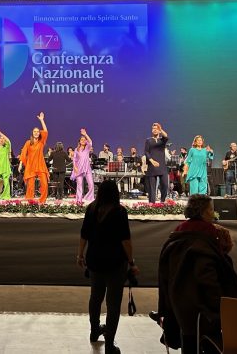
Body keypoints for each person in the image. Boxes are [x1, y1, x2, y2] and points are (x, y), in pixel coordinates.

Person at [157, 195, 237, 353]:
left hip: (177, 297)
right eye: (210, 209)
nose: (213, 213)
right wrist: (217, 301)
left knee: (188, 340)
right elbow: (206, 275)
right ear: (202, 212)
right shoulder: (207, 235)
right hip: (201, 303)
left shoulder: (179, 231)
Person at [77, 180, 139, 354]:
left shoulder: (91, 209)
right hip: (115, 263)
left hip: (94, 260)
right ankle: (110, 343)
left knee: (95, 298)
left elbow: (84, 234)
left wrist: (80, 255)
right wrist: (132, 262)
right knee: (113, 304)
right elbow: (125, 240)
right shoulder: (119, 212)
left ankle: (94, 330)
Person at [18, 112, 49, 203]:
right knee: (30, 186)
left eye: (37, 131)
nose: (36, 133)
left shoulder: (41, 142)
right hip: (31, 166)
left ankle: (42, 201)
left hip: (40, 165)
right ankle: (30, 201)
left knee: (44, 183)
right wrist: (20, 164)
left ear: (39, 133)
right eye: (34, 131)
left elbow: (45, 131)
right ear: (32, 133)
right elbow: (23, 153)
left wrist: (42, 120)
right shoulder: (28, 142)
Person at [144, 122, 169, 202]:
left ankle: (162, 201)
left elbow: (166, 136)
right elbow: (146, 152)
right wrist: (151, 161)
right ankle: (152, 203)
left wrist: (160, 129)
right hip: (152, 166)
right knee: (152, 187)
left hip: (162, 166)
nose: (154, 130)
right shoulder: (148, 140)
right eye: (153, 129)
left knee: (165, 184)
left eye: (156, 129)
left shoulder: (162, 140)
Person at [71, 129, 95, 205]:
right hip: (79, 169)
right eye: (82, 139)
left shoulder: (87, 148)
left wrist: (85, 134)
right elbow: (74, 159)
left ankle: (89, 198)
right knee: (79, 185)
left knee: (91, 184)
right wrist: (74, 167)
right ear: (79, 141)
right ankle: (79, 200)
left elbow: (90, 142)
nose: (83, 140)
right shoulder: (76, 149)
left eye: (84, 140)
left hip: (87, 168)